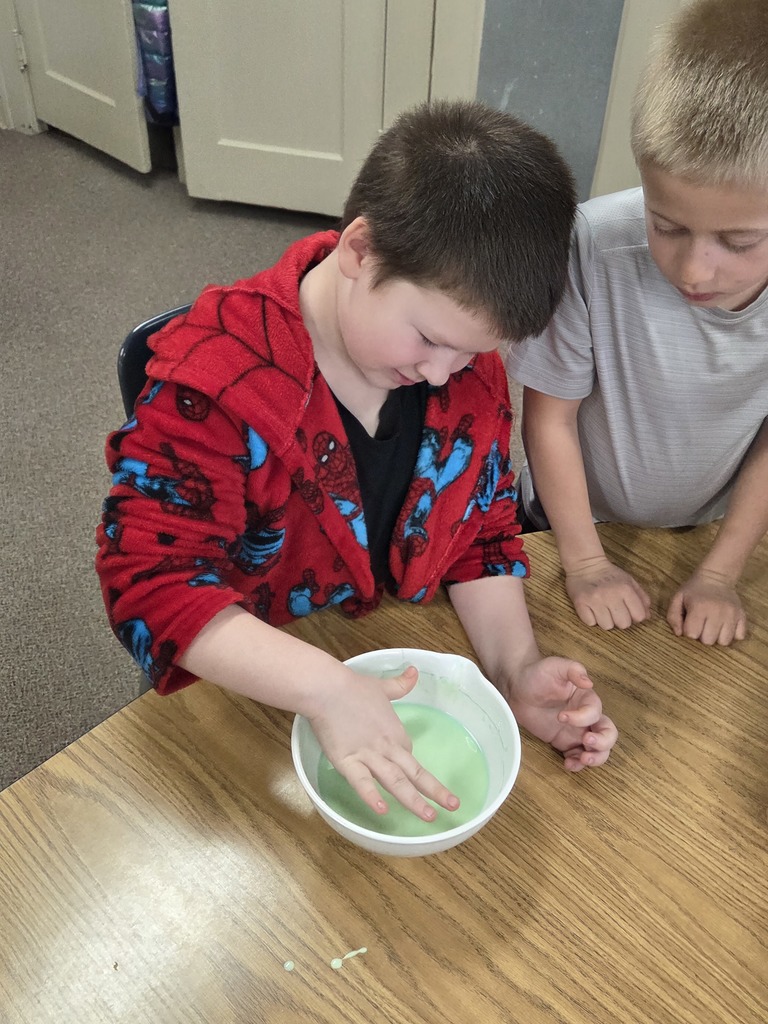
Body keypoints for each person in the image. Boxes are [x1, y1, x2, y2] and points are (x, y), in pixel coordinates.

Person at [96, 99, 617, 827]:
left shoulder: (463, 370)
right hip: (252, 686)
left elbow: (481, 533)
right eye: (430, 339)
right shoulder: (214, 381)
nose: (446, 375)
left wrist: (515, 669)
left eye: (473, 351)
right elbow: (150, 584)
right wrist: (324, 688)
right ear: (361, 249)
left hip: (370, 652)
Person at [505, 0, 768, 648]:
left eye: (739, 242)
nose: (694, 269)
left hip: (705, 527)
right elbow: (549, 419)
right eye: (667, 225)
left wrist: (721, 571)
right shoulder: (593, 243)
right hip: (565, 521)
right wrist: (586, 562)